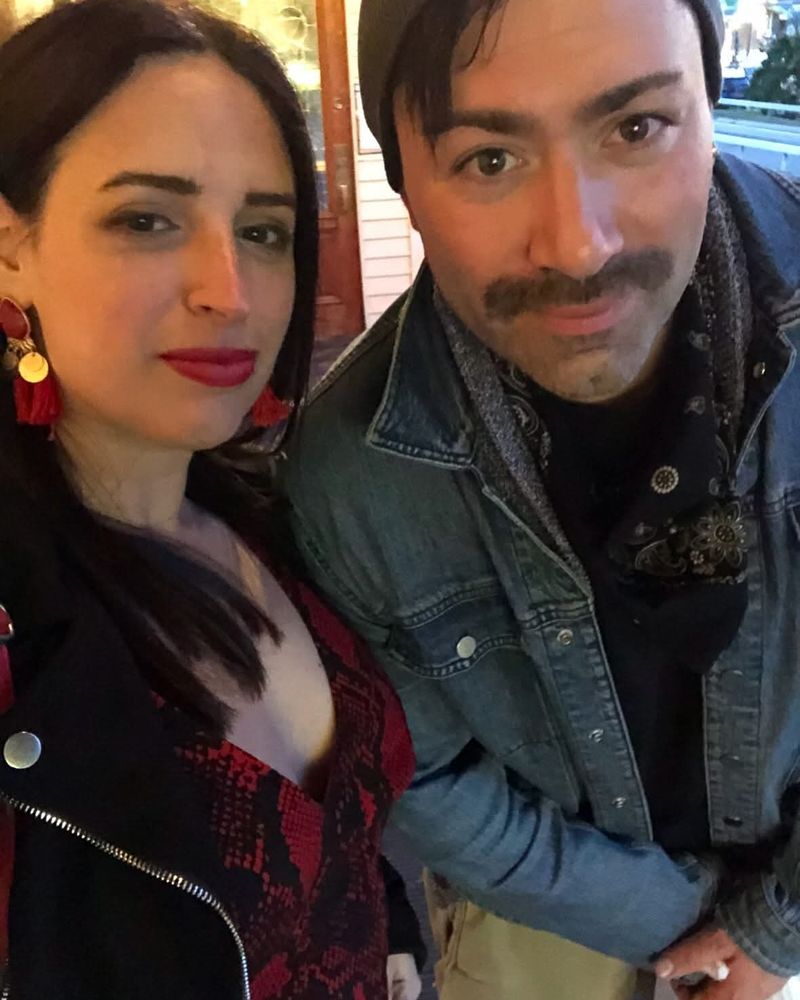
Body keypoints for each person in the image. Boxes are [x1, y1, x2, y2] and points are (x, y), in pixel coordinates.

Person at [281, 0, 800, 997]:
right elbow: (430, 778)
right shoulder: (350, 474)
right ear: (404, 182)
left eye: (636, 127)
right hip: (560, 908)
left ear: (711, 104)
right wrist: (695, 932)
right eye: (488, 159)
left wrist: (773, 922)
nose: (577, 245)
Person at [0, 1, 427, 997]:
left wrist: (397, 943)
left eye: (264, 231)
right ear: (11, 247)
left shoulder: (274, 513)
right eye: (146, 220)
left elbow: (346, 848)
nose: (229, 290)